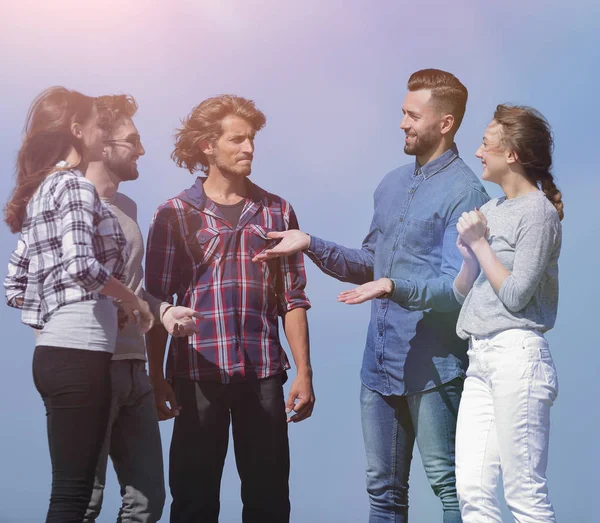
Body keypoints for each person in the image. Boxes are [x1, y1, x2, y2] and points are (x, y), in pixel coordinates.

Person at [254, 69, 489, 522]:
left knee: (449, 486)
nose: (402, 122)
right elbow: (370, 265)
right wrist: (310, 243)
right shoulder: (391, 184)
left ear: (445, 123)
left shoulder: (465, 192)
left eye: (413, 115)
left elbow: (461, 289)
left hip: (434, 369)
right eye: (403, 112)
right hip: (378, 365)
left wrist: (396, 287)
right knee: (382, 492)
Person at [145, 94, 314, 523]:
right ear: (208, 145)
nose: (249, 148)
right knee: (194, 502)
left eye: (252, 139)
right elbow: (157, 300)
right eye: (237, 139)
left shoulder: (278, 210)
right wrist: (156, 375)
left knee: (270, 501)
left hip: (262, 374)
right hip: (197, 374)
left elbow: (291, 297)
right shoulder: (175, 214)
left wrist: (303, 372)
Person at [3, 87, 153, 523]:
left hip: (54, 353)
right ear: (77, 130)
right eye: (93, 124)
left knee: (70, 494)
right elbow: (82, 267)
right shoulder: (74, 186)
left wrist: (59, 311)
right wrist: (131, 303)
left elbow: (15, 285)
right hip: (81, 353)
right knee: (73, 497)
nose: (98, 132)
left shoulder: (43, 190)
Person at [82, 94, 203, 523]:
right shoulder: (73, 202)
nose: (142, 150)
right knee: (85, 499)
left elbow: (135, 289)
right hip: (91, 365)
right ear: (102, 144)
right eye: (131, 140)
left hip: (133, 367)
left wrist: (165, 312)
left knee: (148, 502)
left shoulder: (128, 209)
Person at [452, 104, 563, 522]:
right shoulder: (493, 210)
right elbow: (466, 295)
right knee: (473, 491)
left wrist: (482, 245)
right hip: (479, 358)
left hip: (519, 356)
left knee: (524, 494)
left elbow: (516, 296)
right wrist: (469, 257)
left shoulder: (538, 213)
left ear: (511, 153)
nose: (478, 152)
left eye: (485, 143)